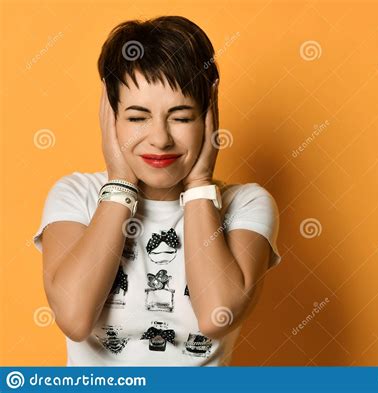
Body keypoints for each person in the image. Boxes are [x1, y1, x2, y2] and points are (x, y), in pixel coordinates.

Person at [33, 15, 281, 366]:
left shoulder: (246, 205)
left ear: (209, 117)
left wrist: (198, 185)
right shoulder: (77, 196)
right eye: (137, 117)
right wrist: (119, 185)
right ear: (110, 117)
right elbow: (74, 318)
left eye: (181, 117)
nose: (161, 139)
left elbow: (216, 315)